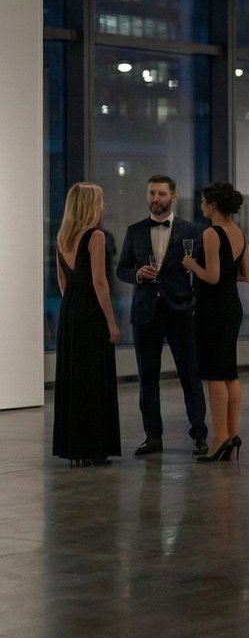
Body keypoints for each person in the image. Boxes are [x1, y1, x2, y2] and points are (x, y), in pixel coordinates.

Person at [114, 175, 210, 459]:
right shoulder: (134, 231)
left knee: (190, 376)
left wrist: (193, 302)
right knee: (147, 378)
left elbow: (203, 273)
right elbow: (122, 270)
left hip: (181, 312)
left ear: (173, 197)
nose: (155, 198)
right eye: (151, 193)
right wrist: (137, 275)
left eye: (161, 194)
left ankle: (199, 435)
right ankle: (153, 436)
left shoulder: (192, 231)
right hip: (146, 312)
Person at [52, 183, 122, 468]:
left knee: (73, 377)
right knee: (93, 378)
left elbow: (62, 282)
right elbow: (100, 282)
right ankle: (94, 447)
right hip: (91, 312)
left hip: (69, 309)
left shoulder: (62, 237)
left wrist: (72, 306)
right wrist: (111, 321)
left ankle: (75, 448)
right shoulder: (95, 236)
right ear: (92, 205)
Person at [182, 183, 249, 463]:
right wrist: (221, 280)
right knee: (229, 372)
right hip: (232, 306)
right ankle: (232, 433)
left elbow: (210, 275)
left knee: (213, 373)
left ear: (212, 205)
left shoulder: (211, 233)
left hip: (213, 310)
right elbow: (245, 275)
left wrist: (190, 264)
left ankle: (219, 438)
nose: (201, 206)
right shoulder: (239, 232)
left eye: (203, 202)